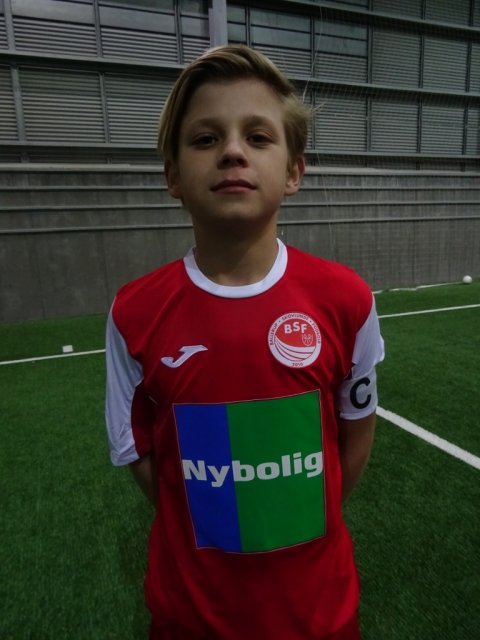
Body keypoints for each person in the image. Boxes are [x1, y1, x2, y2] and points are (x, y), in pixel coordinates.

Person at [105, 44, 384, 640]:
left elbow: (355, 436)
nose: (233, 151)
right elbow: (137, 451)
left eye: (258, 137)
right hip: (191, 619)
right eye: (206, 139)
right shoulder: (134, 312)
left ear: (293, 172)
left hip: (320, 616)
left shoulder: (346, 299)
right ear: (173, 176)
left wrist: (286, 510)